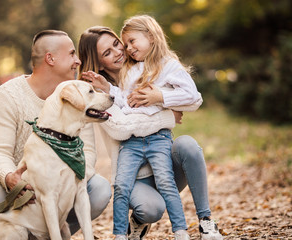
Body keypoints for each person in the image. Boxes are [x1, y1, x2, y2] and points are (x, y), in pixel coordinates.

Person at [78, 20, 223, 240]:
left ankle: (206, 221)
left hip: (162, 158)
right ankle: (138, 220)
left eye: (118, 44)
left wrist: (161, 97)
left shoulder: (149, 69)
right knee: (152, 209)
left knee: (187, 145)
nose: (120, 51)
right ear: (98, 64)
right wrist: (167, 115)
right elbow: (120, 128)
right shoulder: (99, 95)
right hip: (135, 175)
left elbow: (193, 100)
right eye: (108, 52)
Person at [0, 30, 112, 239]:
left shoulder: (79, 99)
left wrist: (65, 176)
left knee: (100, 188)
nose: (78, 61)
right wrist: (10, 177)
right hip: (22, 188)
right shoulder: (6, 97)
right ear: (50, 58)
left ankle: (49, 233)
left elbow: (88, 151)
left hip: (60, 185)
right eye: (72, 54)